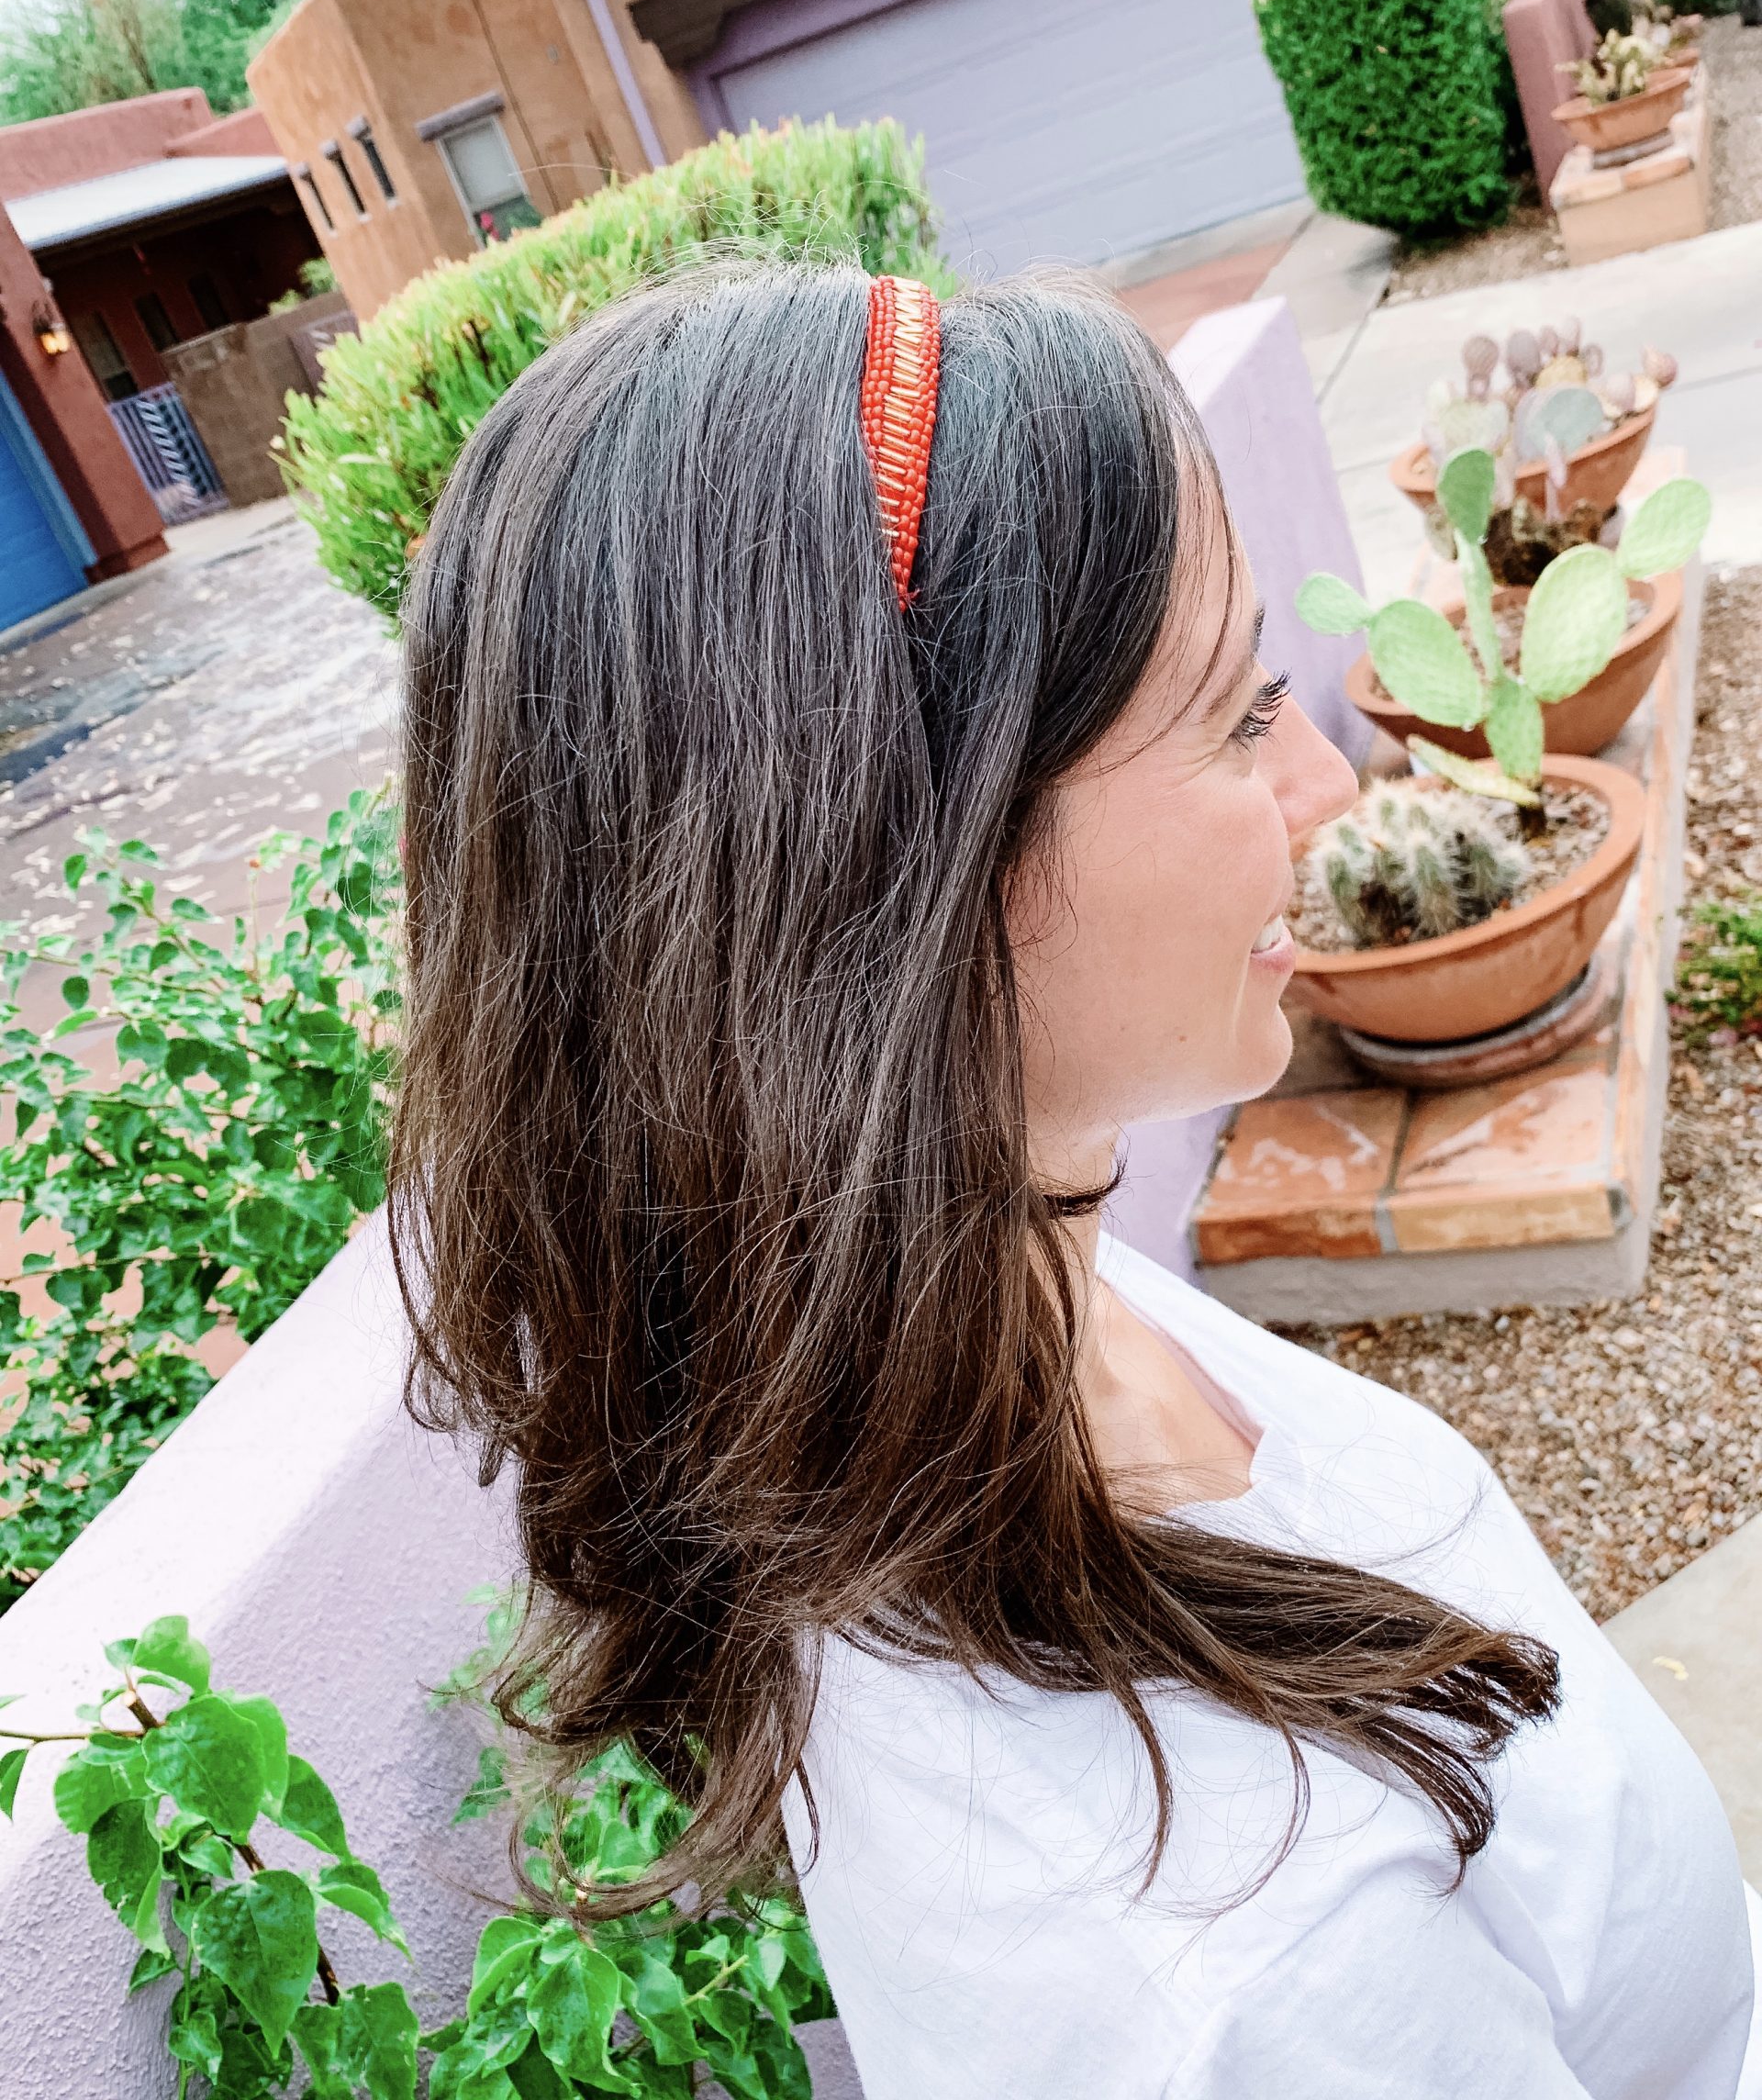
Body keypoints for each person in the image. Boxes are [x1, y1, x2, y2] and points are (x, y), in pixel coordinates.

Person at [391, 261, 1758, 2096]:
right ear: (905, 879)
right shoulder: (1237, 1964)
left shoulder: (983, 1308)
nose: (1326, 790)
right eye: (1231, 710)